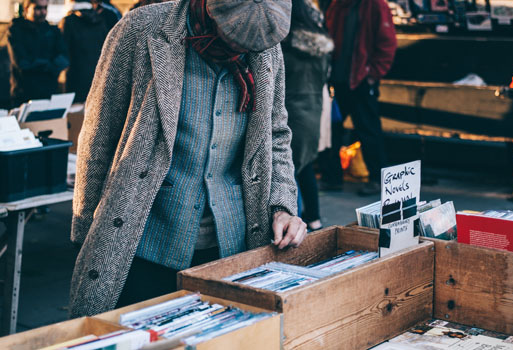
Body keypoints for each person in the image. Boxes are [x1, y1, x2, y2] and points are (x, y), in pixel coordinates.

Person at [69, 0, 306, 318]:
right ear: (211, 10)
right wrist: (85, 232)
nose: (242, 53)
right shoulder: (140, 29)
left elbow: (276, 135)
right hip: (142, 241)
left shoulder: (264, 49)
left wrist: (282, 206)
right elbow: (99, 133)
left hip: (230, 248)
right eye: (233, 40)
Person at [325, 0, 397, 195]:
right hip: (339, 81)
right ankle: (333, 178)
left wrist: (372, 75)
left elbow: (387, 43)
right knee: (332, 130)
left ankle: (377, 180)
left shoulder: (375, 5)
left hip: (361, 81)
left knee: (369, 130)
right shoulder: (338, 5)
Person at [282, 0, 333, 230]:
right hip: (314, 110)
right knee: (305, 166)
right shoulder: (321, 48)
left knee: (287, 170)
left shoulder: (286, 46)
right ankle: (313, 218)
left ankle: (295, 220)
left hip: (290, 112)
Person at [7, 0, 69, 107]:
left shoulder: (53, 31)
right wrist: (49, 65)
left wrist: (38, 64)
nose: (43, 12)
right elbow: (21, 63)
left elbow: (64, 59)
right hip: (23, 94)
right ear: (26, 9)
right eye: (38, 8)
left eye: (45, 8)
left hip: (49, 93)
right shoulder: (15, 30)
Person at [59, 0, 112, 103]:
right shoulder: (101, 21)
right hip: (98, 78)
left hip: (75, 79)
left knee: (74, 116)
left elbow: (62, 52)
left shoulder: (68, 22)